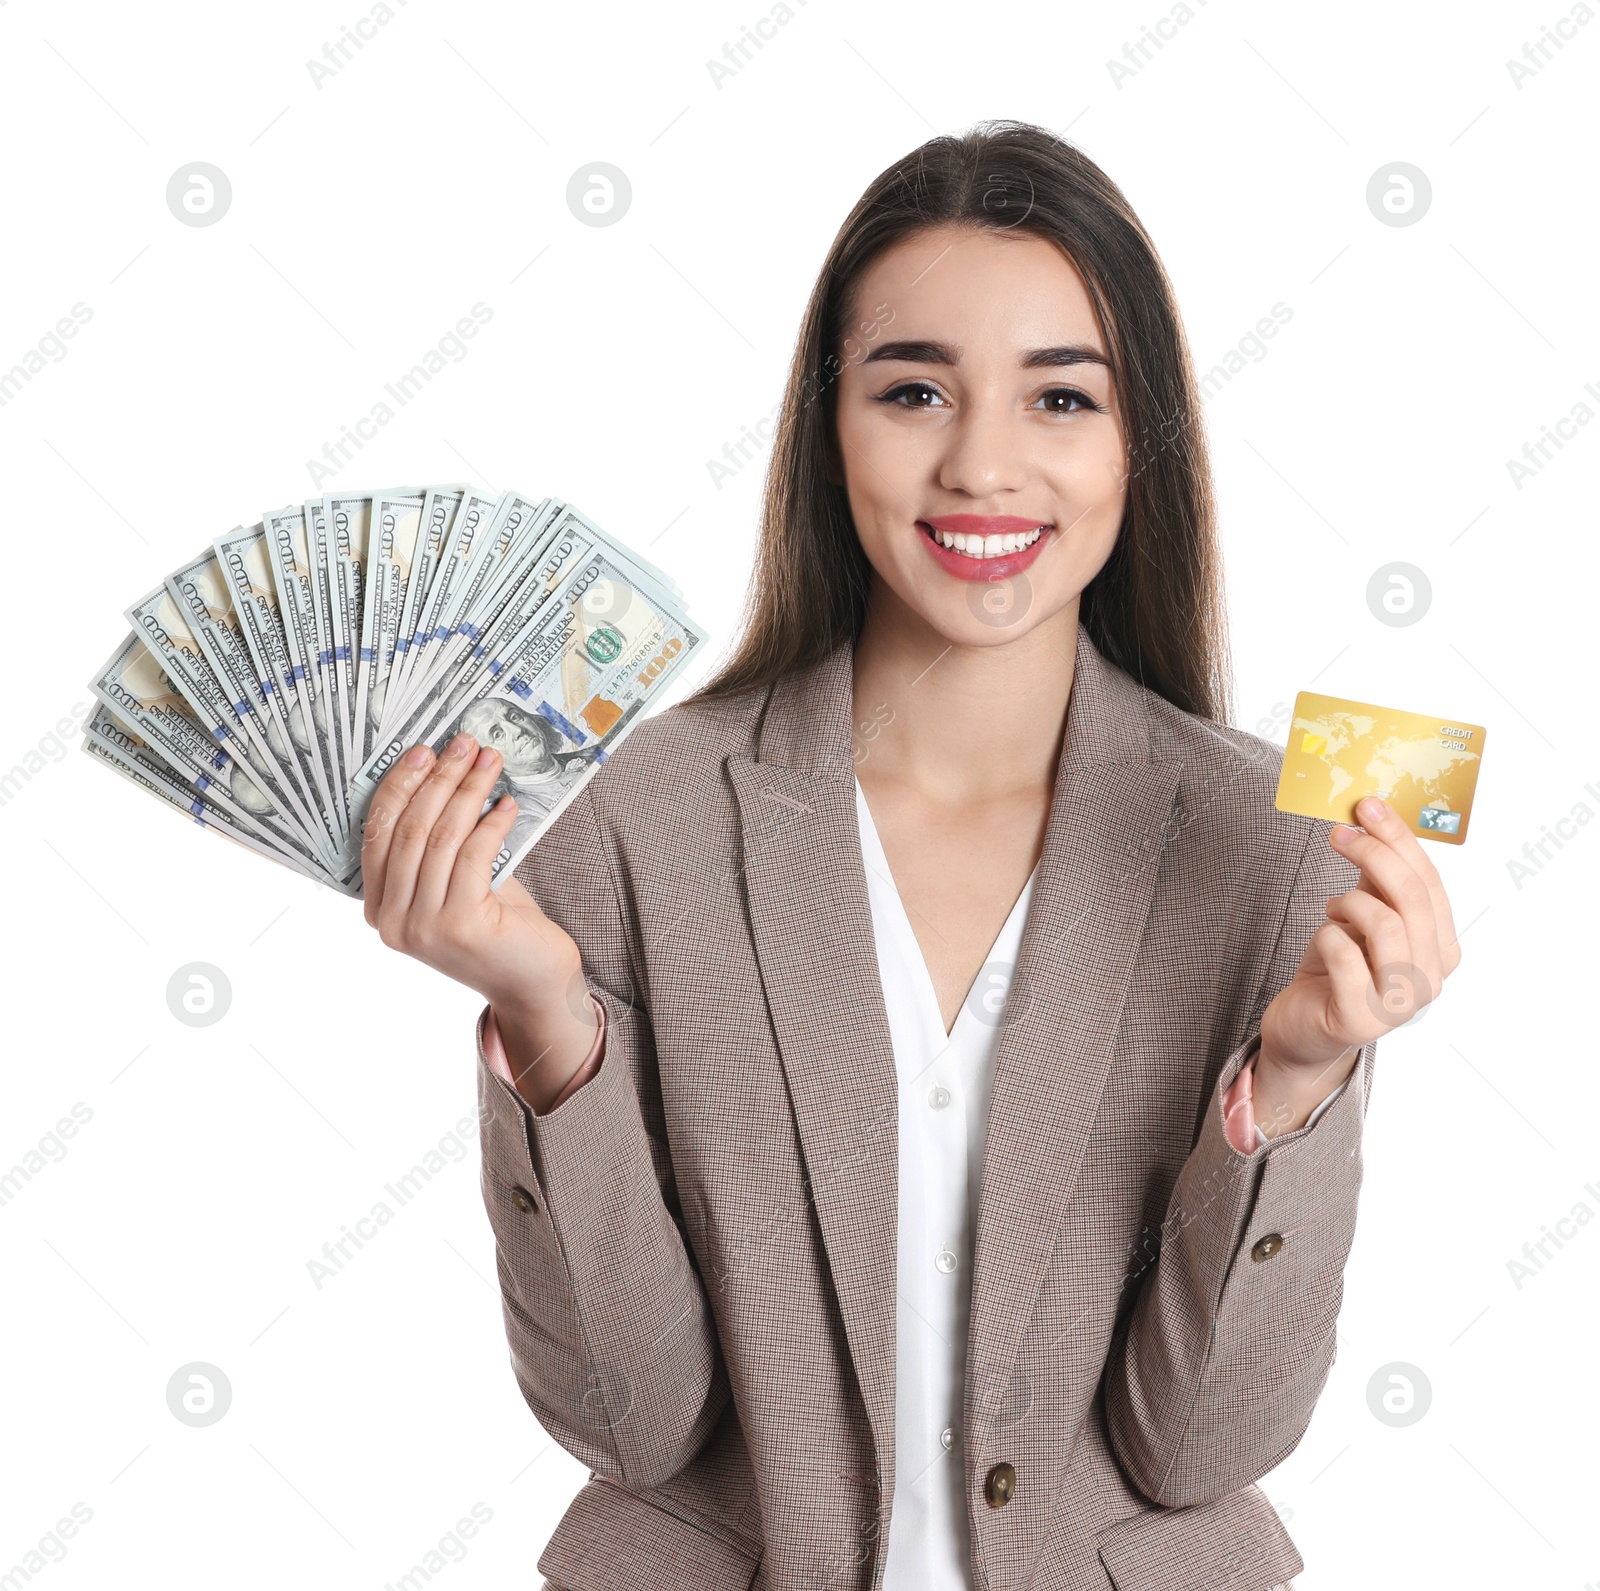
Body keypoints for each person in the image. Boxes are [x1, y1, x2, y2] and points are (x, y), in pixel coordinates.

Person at [358, 121, 1459, 1591]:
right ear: (832, 430)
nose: (982, 464)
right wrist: (549, 1030)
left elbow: (1198, 1448)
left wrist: (1301, 1085)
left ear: (1145, 445)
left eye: (1061, 396)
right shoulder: (634, 815)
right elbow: (633, 1426)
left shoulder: (1279, 851)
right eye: (914, 390)